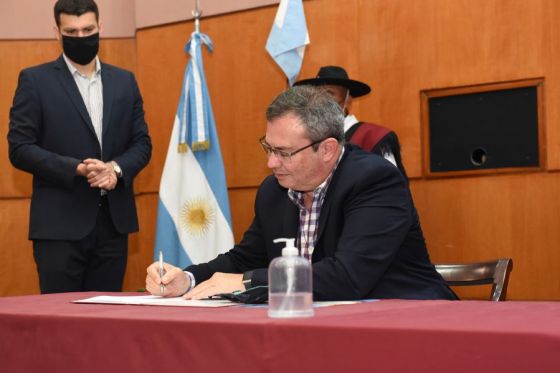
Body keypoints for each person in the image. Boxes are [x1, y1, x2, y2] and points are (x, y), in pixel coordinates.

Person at [146, 86, 456, 301]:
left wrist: (248, 282)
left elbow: (346, 277)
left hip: (407, 320)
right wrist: (187, 279)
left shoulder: (375, 181)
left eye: (284, 152)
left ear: (328, 149)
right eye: (268, 148)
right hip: (322, 323)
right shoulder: (274, 190)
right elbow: (246, 257)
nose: (271, 163)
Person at [8, 0, 152, 293]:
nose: (81, 36)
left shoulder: (125, 81)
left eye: (88, 29)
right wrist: (77, 168)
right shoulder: (35, 81)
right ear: (57, 32)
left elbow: (142, 143)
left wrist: (114, 169)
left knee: (106, 321)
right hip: (59, 228)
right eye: (71, 31)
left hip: (114, 225)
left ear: (100, 27)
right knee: (60, 325)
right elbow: (20, 148)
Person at [294, 65, 408, 180]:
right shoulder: (306, 140)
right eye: (316, 94)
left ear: (347, 100)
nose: (321, 100)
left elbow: (389, 188)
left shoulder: (373, 138)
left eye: (329, 93)